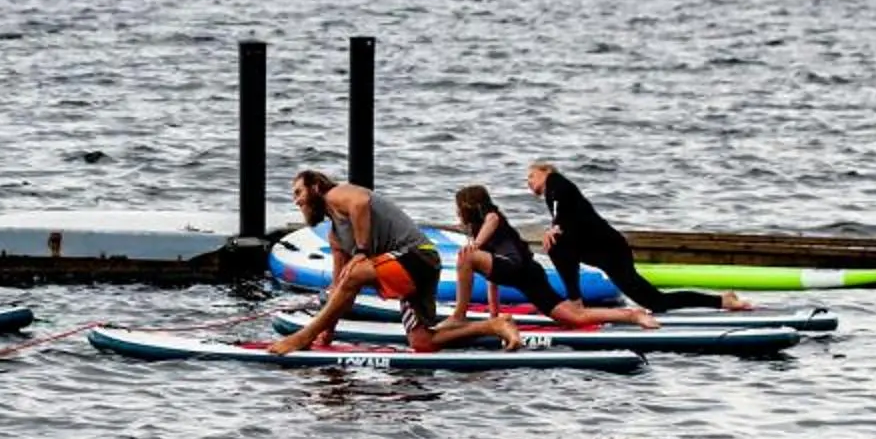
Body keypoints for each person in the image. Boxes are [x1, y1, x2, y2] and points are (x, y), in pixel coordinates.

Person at [269, 169, 521, 355]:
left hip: (417, 255)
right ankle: (495, 325)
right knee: (422, 342)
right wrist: (327, 334)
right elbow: (340, 289)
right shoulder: (335, 236)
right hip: (408, 270)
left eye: (299, 192)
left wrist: (361, 251)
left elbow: (361, 202)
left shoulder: (336, 194)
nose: (297, 200)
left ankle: (303, 336)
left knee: (355, 273)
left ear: (315, 187)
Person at [525, 162, 747, 314]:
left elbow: (560, 202)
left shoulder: (556, 182)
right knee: (557, 246)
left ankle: (722, 301)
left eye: (531, 176)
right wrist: (556, 226)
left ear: (545, 171)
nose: (529, 182)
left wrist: (554, 226)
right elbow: (563, 211)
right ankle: (576, 301)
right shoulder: (554, 195)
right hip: (595, 248)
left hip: (610, 248)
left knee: (656, 303)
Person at [451, 184, 659, 329]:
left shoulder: (490, 218)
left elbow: (492, 219)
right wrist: (493, 317)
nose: (458, 213)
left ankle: (458, 317)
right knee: (574, 318)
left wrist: (475, 245)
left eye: (459, 208)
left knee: (466, 256)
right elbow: (492, 279)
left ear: (469, 207)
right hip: (528, 273)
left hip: (517, 267)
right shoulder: (485, 237)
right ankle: (632, 314)